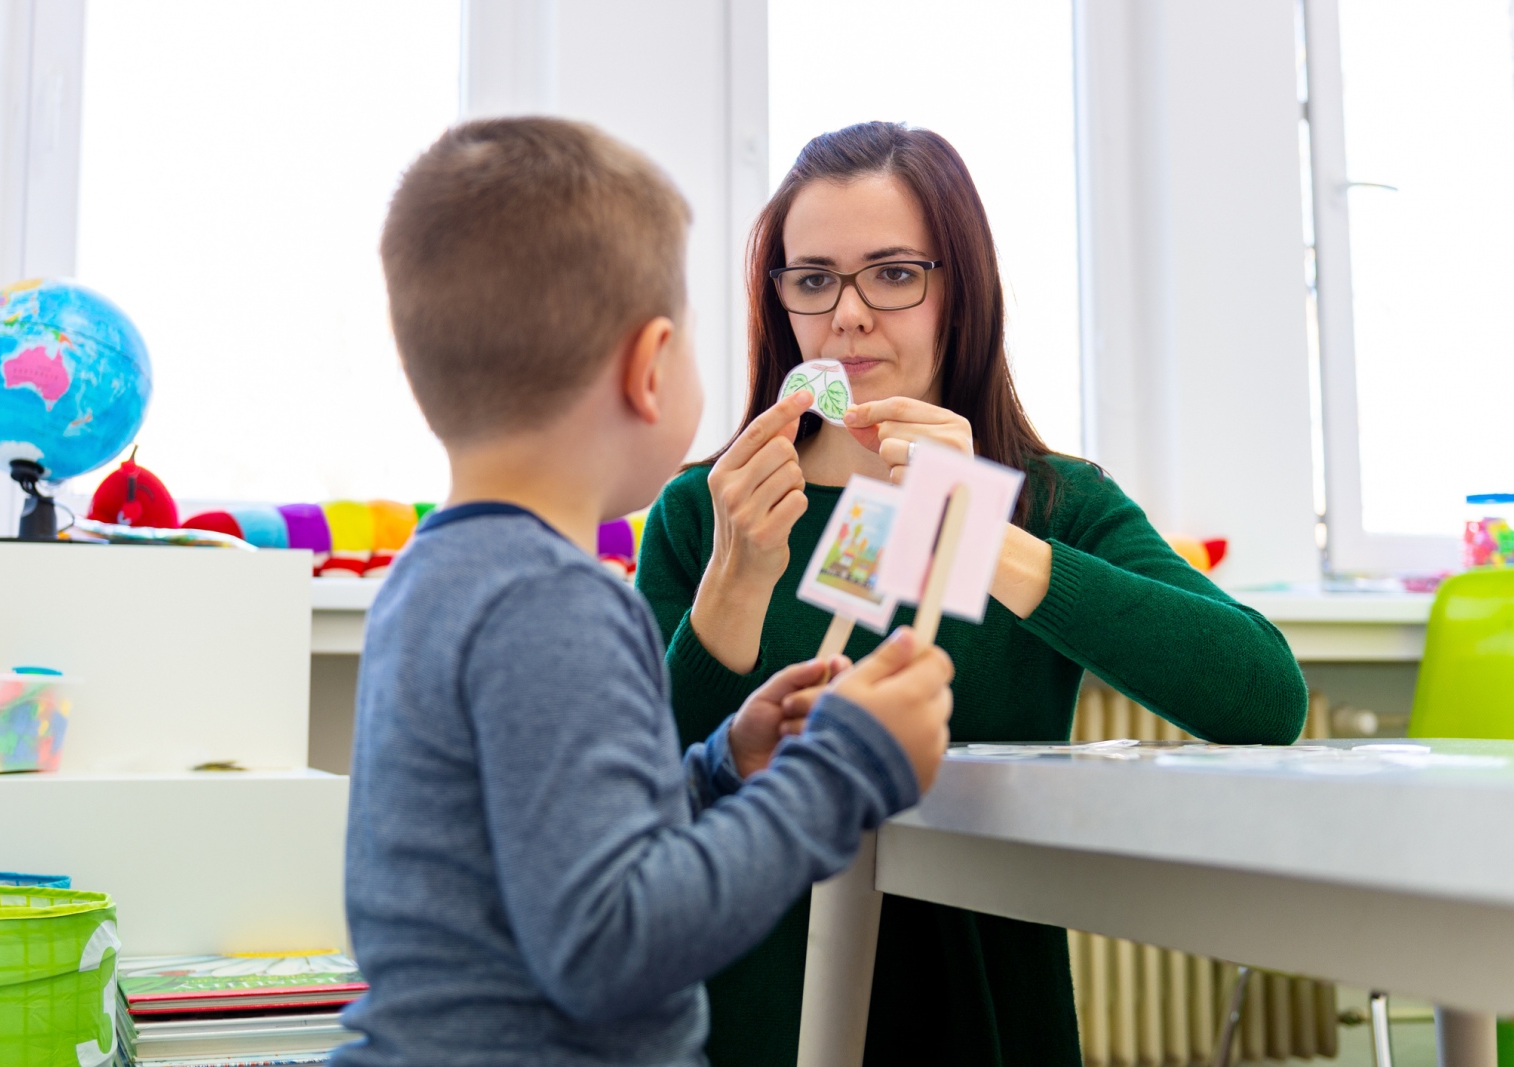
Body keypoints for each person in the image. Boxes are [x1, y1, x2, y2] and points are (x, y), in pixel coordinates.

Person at [637, 121, 1310, 1067]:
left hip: (983, 1014)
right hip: (750, 1017)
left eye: (895, 273)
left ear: (964, 288)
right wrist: (734, 587)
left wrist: (997, 543)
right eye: (814, 277)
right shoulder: (705, 511)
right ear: (778, 299)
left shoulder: (1057, 501)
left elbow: (1264, 698)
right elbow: (644, 814)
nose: (850, 314)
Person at [332, 117, 957, 1067]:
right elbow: (611, 942)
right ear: (649, 365)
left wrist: (718, 765)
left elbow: (553, 848)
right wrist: (846, 765)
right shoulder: (560, 603)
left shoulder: (430, 575)